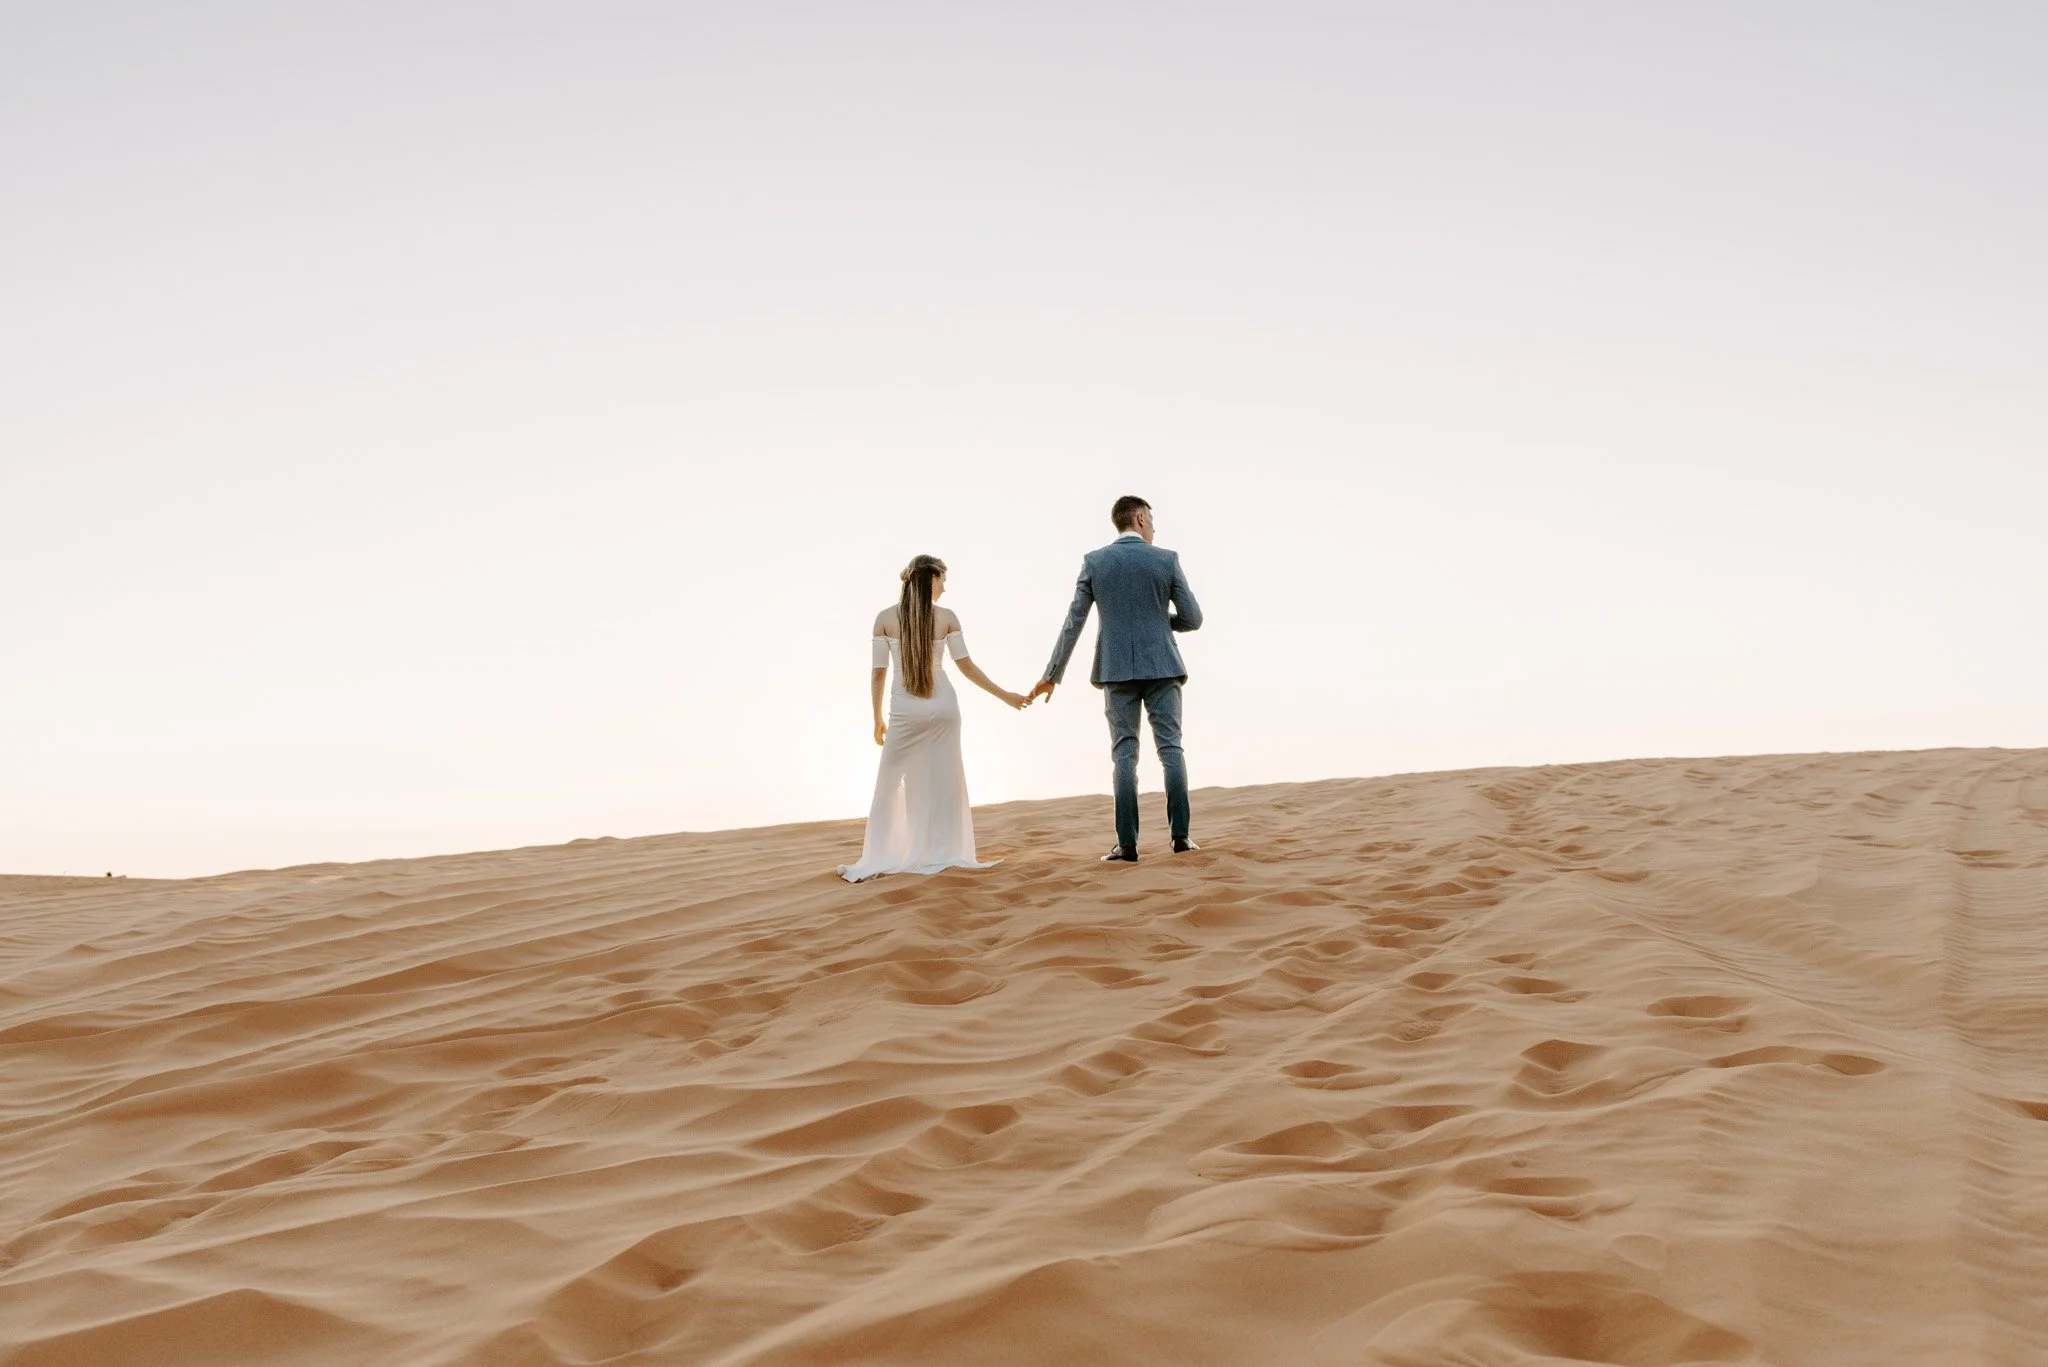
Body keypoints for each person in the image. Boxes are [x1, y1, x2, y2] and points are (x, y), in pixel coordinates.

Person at [1028, 496, 1203, 863]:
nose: (1154, 527)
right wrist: (1157, 621)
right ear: (1138, 518)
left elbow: (1073, 622)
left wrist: (1051, 675)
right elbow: (1193, 618)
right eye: (1151, 519)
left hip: (1116, 669)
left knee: (1124, 753)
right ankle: (1181, 838)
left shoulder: (1095, 562)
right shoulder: (1166, 559)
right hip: (1163, 666)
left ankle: (1127, 845)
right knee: (1171, 750)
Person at [838, 555, 1029, 882]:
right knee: (943, 781)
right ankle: (941, 851)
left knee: (890, 782)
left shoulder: (884, 618)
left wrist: (876, 718)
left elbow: (878, 673)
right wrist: (1005, 695)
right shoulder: (947, 618)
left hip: (905, 711)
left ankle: (885, 854)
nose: (945, 587)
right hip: (944, 708)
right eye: (943, 579)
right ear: (931, 579)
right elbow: (966, 667)